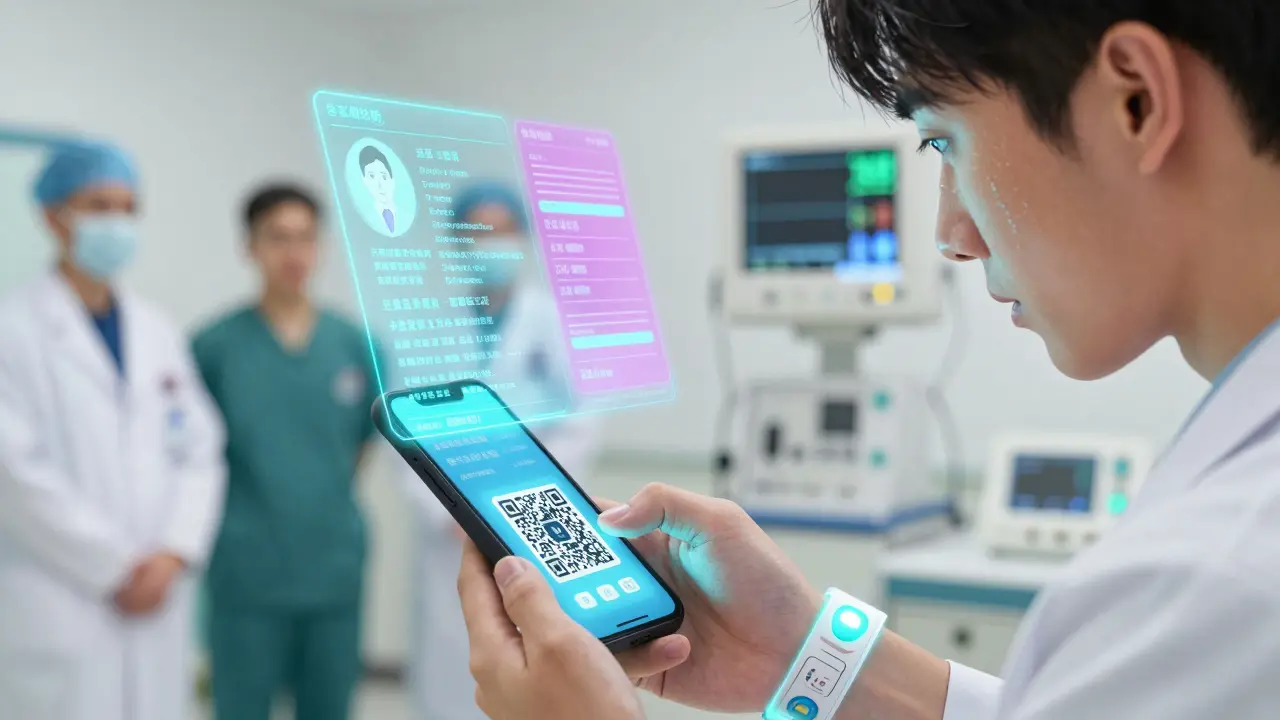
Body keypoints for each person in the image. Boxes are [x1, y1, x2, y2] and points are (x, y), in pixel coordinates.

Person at [455, 2, 1280, 718]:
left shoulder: (1216, 586)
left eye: (945, 142)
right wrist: (803, 655)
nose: (951, 237)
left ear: (1132, 99)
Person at [0, 141, 227, 720]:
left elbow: (202, 449)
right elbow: (15, 471)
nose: (118, 222)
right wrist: (114, 566)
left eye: (129, 208)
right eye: (99, 206)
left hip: (157, 593)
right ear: (53, 216)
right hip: (62, 595)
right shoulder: (13, 328)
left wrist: (173, 552)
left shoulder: (156, 329)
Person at [403, 181, 601, 720]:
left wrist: (521, 501)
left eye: (504, 231)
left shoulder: (552, 323)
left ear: (524, 238)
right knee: (449, 672)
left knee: (533, 664)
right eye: (479, 232)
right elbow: (407, 436)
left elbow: (581, 425)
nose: (492, 244)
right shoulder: (430, 328)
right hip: (450, 532)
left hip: (532, 524)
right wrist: (454, 511)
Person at [192, 183, 381, 720]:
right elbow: (193, 457)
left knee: (328, 708)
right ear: (249, 247)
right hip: (247, 570)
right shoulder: (215, 349)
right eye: (277, 238)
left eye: (304, 238)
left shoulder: (353, 347)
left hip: (332, 568)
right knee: (241, 706)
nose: (293, 253)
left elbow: (360, 447)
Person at [360, 146, 398, 234]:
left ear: (392, 180)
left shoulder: (405, 217)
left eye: (384, 177)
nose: (380, 185)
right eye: (372, 176)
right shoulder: (366, 217)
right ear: (365, 181)